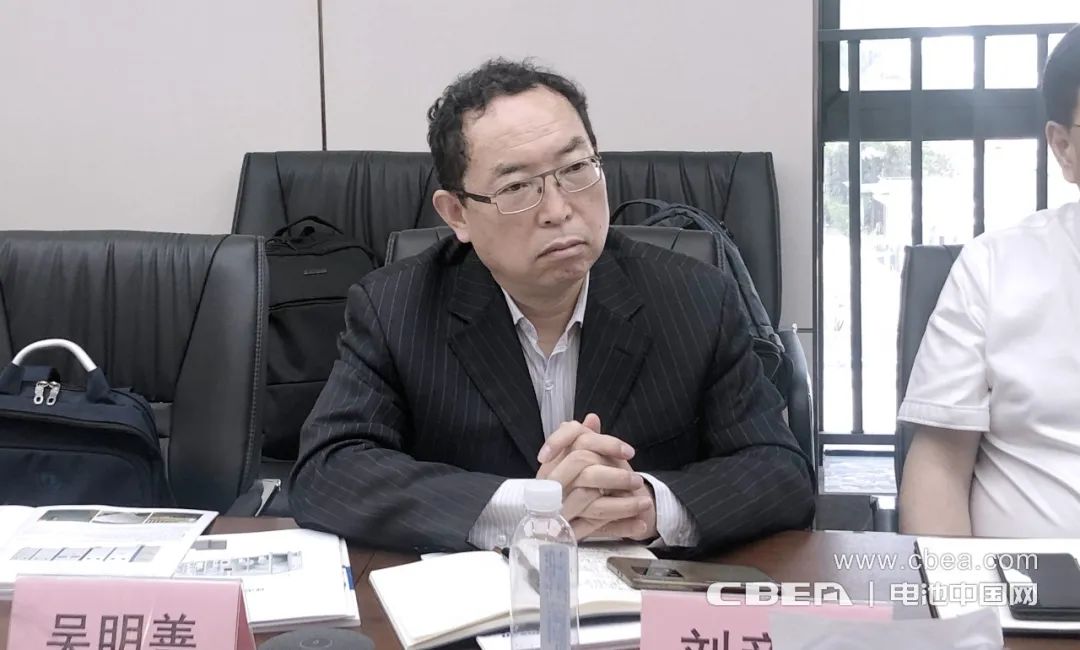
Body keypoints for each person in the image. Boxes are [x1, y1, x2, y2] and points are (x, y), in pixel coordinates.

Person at [289, 58, 813, 554]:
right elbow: (327, 472)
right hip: (473, 598)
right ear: (457, 215)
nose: (559, 210)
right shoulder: (395, 308)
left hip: (637, 594)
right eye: (517, 186)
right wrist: (529, 508)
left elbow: (780, 471)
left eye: (576, 168)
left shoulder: (696, 298)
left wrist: (649, 506)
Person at [898, 25, 1080, 537]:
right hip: (1029, 587)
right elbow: (939, 467)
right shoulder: (996, 267)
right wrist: (961, 589)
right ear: (1063, 147)